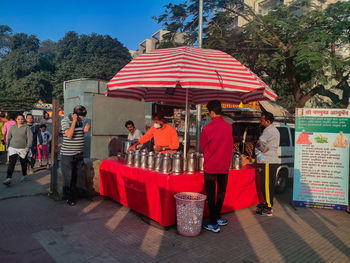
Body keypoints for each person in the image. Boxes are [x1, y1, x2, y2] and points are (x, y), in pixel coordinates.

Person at [200, 100, 233, 233]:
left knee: (211, 193)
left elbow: (202, 147)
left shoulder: (208, 128)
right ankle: (218, 216)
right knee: (221, 192)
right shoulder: (229, 127)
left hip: (211, 166)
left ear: (212, 112)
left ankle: (213, 222)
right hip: (224, 165)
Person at [60, 105, 90, 206]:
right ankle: (69, 198)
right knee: (68, 177)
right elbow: (69, 134)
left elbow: (77, 133)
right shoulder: (65, 121)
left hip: (79, 154)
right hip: (68, 155)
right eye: (82, 116)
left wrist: (84, 131)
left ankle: (80, 194)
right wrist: (73, 121)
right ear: (76, 114)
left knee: (79, 176)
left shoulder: (80, 121)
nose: (83, 119)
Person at [255, 111, 280, 217]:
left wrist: (258, 149)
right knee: (269, 184)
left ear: (268, 121)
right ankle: (267, 204)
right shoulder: (274, 130)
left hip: (267, 160)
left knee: (266, 185)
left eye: (262, 120)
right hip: (272, 160)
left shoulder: (268, 130)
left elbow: (261, 142)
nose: (261, 122)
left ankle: (268, 207)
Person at [3, 114, 33, 186]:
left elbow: (30, 137)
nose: (20, 120)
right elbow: (9, 137)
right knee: (11, 163)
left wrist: (28, 146)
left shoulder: (26, 127)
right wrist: (8, 146)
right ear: (16, 119)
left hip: (23, 148)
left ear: (24, 120)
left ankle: (24, 175)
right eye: (19, 119)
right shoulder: (12, 127)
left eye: (22, 119)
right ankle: (8, 178)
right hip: (13, 148)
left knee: (23, 163)